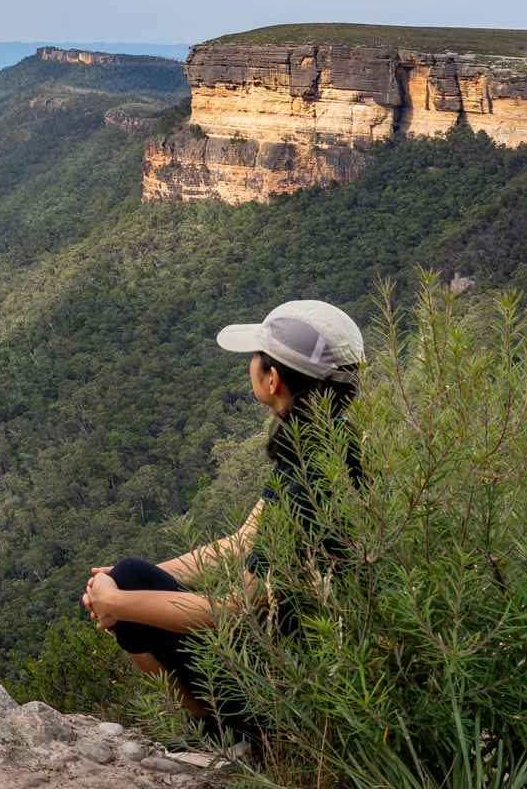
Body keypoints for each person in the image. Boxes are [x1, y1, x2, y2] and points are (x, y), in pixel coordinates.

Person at [80, 300, 363, 737]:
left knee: (131, 590)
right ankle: (225, 727)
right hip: (323, 660)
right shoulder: (335, 439)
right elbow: (241, 542)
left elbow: (237, 608)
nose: (250, 365)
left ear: (273, 378)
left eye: (256, 357)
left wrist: (117, 602)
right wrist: (122, 578)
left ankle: (233, 733)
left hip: (291, 686)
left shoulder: (308, 475)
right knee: (132, 573)